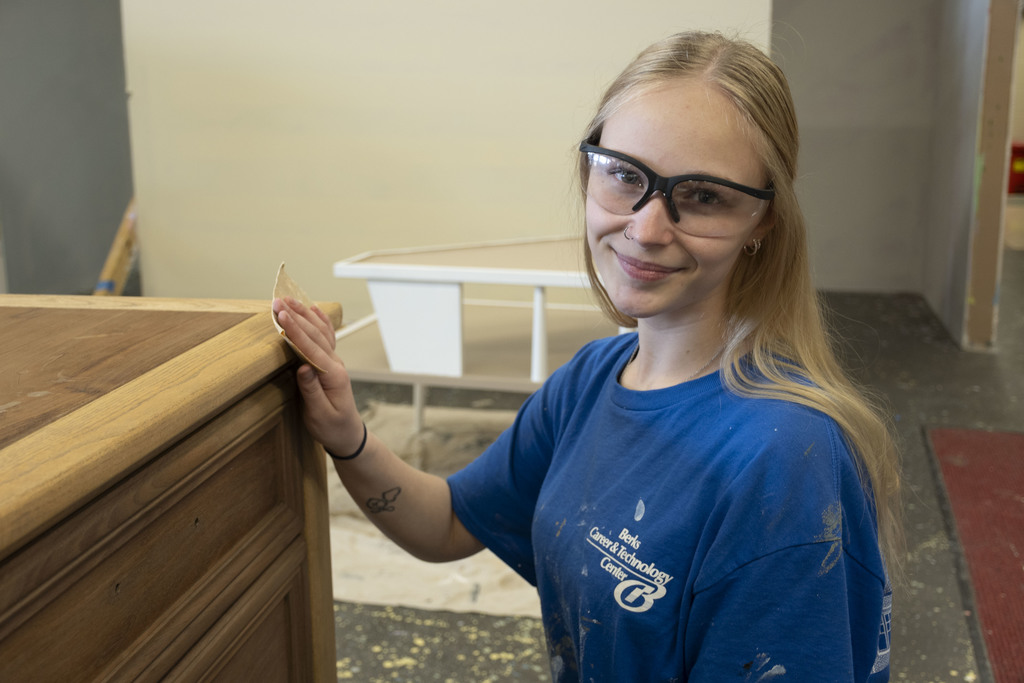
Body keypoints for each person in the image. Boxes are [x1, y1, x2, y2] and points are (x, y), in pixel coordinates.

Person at [273, 30, 901, 682]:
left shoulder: (784, 461)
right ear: (589, 170)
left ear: (763, 222)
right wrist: (347, 434)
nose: (646, 228)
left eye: (704, 196)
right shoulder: (593, 379)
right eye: (625, 175)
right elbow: (449, 522)